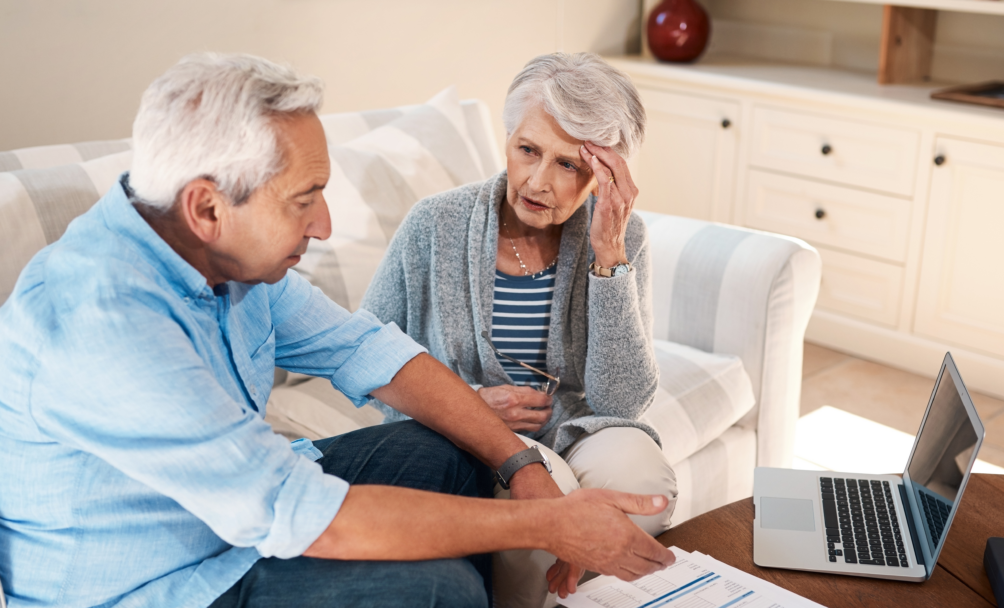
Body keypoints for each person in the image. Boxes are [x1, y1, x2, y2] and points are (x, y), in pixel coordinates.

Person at [0, 53, 676, 608]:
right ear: (207, 206)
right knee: (441, 592)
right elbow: (292, 509)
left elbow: (367, 348)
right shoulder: (105, 325)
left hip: (227, 526)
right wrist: (548, 521)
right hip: (161, 583)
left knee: (447, 454)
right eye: (304, 199)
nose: (323, 225)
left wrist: (520, 462)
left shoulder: (219, 258)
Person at [362, 53, 678, 608]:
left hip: (578, 428)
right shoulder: (434, 224)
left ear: (604, 176)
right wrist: (468, 403)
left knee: (640, 475)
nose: (538, 181)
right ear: (507, 137)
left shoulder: (623, 237)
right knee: (542, 496)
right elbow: (368, 356)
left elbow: (623, 401)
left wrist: (609, 254)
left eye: (568, 165)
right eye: (528, 150)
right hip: (473, 439)